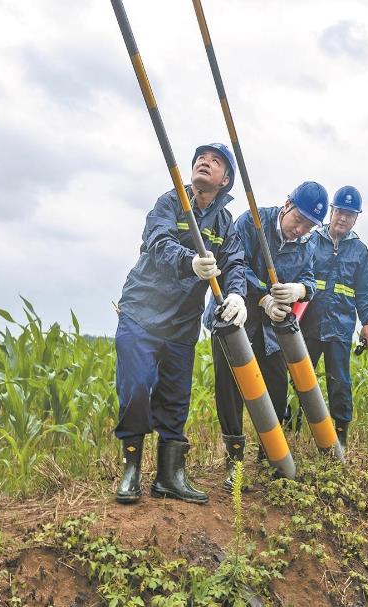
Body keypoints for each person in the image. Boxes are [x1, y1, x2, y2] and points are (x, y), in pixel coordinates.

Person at [113, 143, 248, 505]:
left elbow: (235, 264)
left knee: (175, 400)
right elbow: (157, 243)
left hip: (182, 324)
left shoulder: (224, 223)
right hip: (142, 313)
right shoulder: (170, 203)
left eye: (215, 161)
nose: (205, 161)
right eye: (200, 158)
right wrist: (190, 261)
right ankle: (131, 471)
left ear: (226, 180)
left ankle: (170, 477)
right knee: (137, 388)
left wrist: (236, 295)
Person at [206, 181, 328, 490]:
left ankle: (268, 456)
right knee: (230, 388)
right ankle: (234, 460)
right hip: (236, 316)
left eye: (309, 226)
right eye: (298, 219)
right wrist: (263, 297)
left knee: (275, 386)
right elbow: (235, 265)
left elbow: (310, 280)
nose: (300, 229)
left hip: (272, 331)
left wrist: (300, 290)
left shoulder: (308, 243)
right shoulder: (252, 222)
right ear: (287, 204)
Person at [299, 185, 368, 448]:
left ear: (356, 219)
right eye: (340, 211)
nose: (343, 218)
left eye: (350, 214)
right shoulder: (311, 240)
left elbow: (364, 291)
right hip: (306, 325)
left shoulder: (360, 251)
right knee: (299, 378)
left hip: (340, 329)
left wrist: (367, 324)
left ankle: (340, 436)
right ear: (331, 211)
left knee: (340, 383)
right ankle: (292, 430)